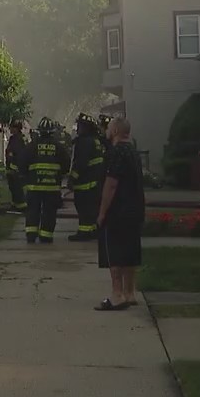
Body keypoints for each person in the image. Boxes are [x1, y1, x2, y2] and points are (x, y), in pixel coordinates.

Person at [95, 117, 145, 311]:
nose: (106, 130)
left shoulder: (115, 153)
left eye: (108, 127)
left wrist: (102, 212)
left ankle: (117, 295)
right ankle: (130, 292)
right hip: (134, 210)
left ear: (115, 130)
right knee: (130, 251)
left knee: (114, 253)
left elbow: (111, 184)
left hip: (117, 211)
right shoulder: (133, 152)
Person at [24, 117, 71, 244]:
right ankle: (46, 236)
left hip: (34, 187)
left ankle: (31, 235)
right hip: (52, 187)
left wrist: (27, 178)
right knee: (49, 212)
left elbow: (23, 163)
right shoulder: (58, 147)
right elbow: (66, 165)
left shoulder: (32, 146)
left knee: (33, 210)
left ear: (40, 131)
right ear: (52, 131)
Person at [68, 113, 107, 242]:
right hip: (95, 183)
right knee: (92, 210)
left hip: (86, 184)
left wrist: (72, 179)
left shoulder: (84, 142)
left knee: (84, 209)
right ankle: (92, 231)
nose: (78, 128)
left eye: (80, 125)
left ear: (86, 127)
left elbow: (80, 163)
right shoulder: (96, 141)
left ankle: (84, 233)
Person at [4, 121, 29, 212]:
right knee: (13, 188)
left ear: (17, 129)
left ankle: (21, 206)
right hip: (11, 168)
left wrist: (17, 168)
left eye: (12, 127)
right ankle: (15, 204)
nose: (10, 129)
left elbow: (18, 155)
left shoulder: (18, 139)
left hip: (16, 169)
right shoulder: (14, 138)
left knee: (17, 188)